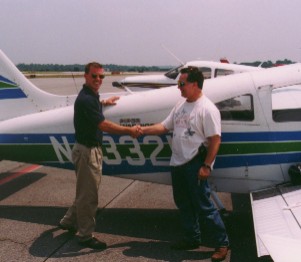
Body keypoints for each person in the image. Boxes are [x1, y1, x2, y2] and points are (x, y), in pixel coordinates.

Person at [141, 66, 229, 261]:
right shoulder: (180, 105)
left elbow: (215, 140)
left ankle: (222, 244)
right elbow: (164, 126)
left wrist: (206, 166)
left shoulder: (207, 109)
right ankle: (192, 239)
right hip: (178, 164)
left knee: (204, 206)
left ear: (194, 84)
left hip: (195, 164)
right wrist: (143, 130)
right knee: (183, 204)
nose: (178, 87)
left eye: (181, 83)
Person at [59, 62, 141, 249]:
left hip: (87, 150)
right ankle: (85, 235)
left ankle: (68, 221)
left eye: (101, 76)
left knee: (84, 191)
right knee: (89, 196)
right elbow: (104, 125)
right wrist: (129, 131)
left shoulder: (91, 97)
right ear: (86, 76)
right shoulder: (87, 100)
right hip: (88, 152)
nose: (98, 79)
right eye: (94, 76)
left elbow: (93, 106)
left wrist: (104, 102)